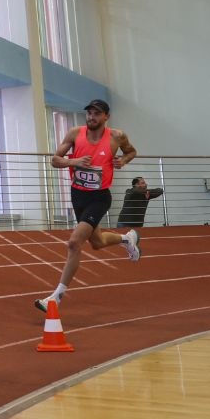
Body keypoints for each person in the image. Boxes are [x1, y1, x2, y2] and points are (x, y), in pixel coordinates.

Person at [35, 99, 142, 313]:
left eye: (97, 113)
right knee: (97, 242)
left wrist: (123, 161)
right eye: (89, 113)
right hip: (78, 196)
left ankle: (56, 297)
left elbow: (131, 151)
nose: (92, 117)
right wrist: (73, 162)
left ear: (106, 117)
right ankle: (126, 238)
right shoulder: (75, 133)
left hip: (99, 197)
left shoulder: (116, 136)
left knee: (74, 243)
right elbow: (55, 160)